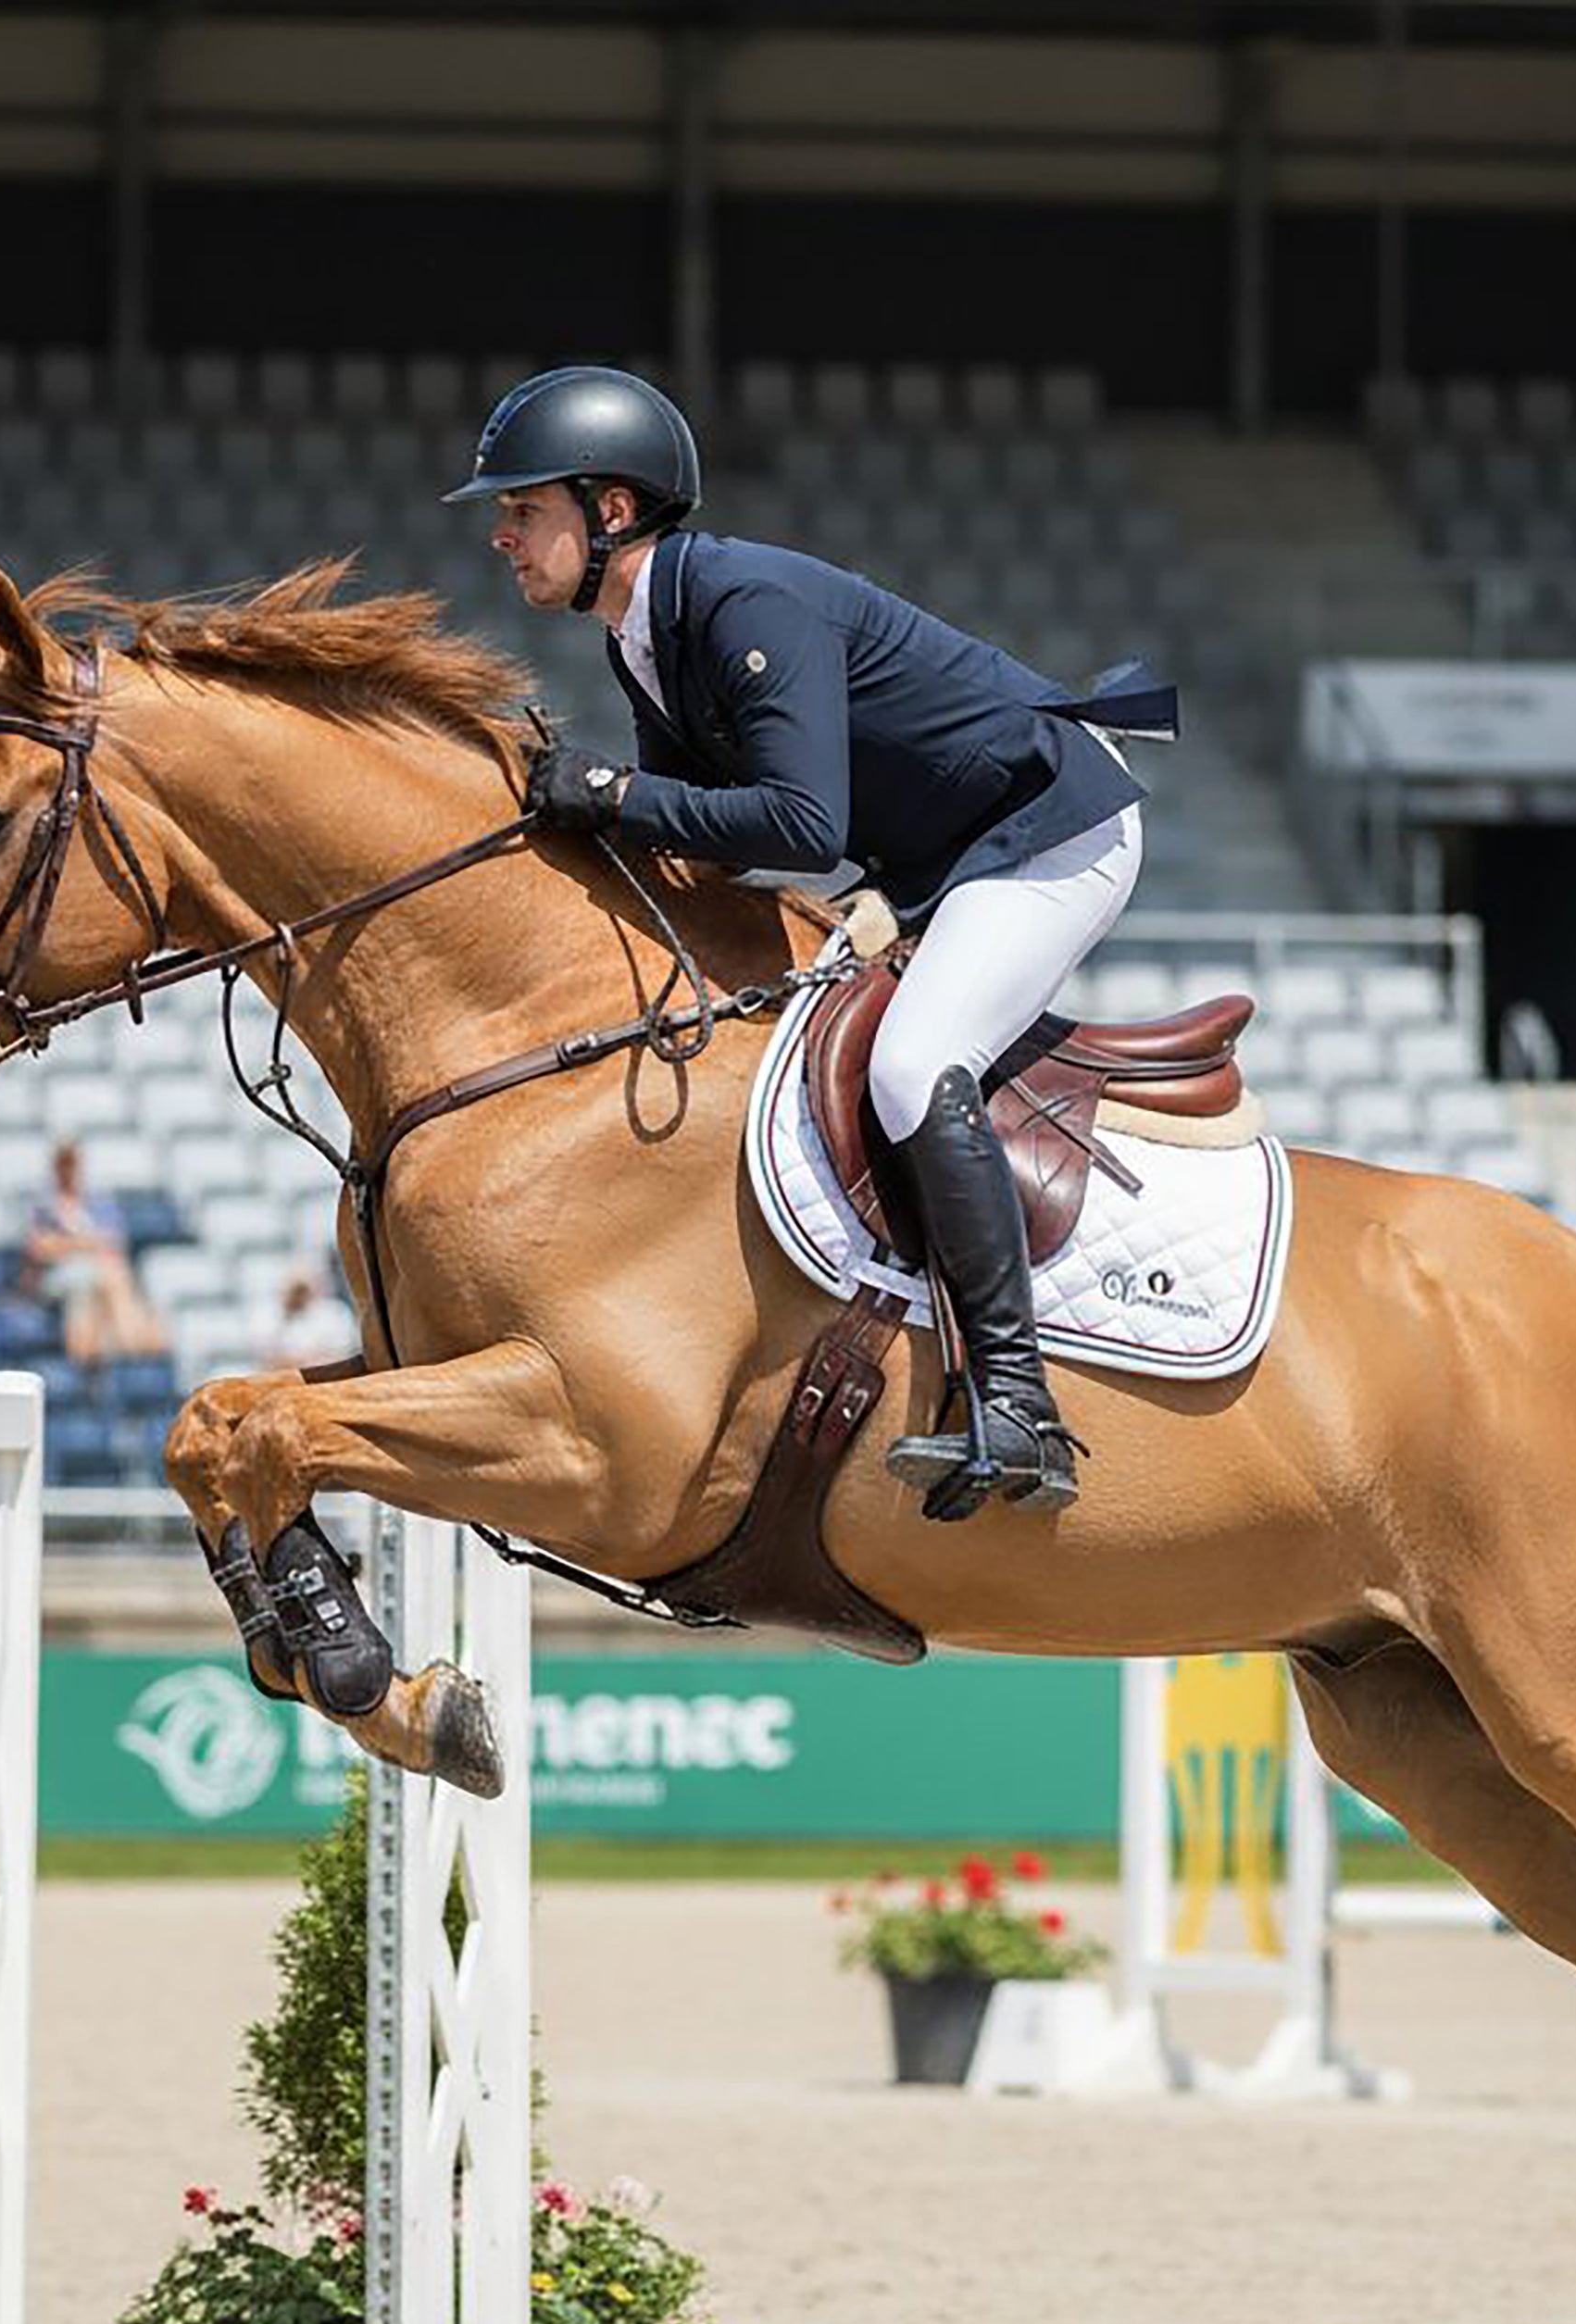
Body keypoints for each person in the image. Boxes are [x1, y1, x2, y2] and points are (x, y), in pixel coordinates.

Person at [444, 365, 1176, 1518]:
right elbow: (701, 843)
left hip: (1050, 830)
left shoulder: (739, 604)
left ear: (612, 512)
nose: (500, 534)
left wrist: (610, 789)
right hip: (944, 852)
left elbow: (799, 824)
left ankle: (1020, 1403)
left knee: (907, 1062)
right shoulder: (643, 633)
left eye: (522, 509)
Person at [19, 1142, 167, 1368]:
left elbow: (113, 1241)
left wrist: (70, 1244)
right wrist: (86, 1244)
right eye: (63, 1166)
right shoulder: (46, 1206)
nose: (68, 1172)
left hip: (94, 1272)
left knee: (105, 1279)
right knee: (104, 1277)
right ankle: (130, 1342)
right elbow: (41, 1249)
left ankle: (103, 1350)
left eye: (72, 1165)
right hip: (60, 1275)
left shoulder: (97, 1203)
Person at [259, 1267, 361, 1372]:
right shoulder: (274, 1316)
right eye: (293, 1291)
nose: (297, 1296)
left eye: (301, 1290)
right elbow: (268, 1357)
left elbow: (343, 1353)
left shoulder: (334, 1313)